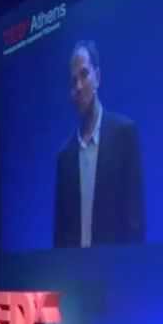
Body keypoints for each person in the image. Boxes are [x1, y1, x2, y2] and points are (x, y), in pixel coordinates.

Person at [53, 40, 144, 248]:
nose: (78, 86)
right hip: (74, 277)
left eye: (84, 74)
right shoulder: (64, 157)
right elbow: (59, 237)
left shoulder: (124, 134)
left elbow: (135, 223)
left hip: (116, 273)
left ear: (98, 77)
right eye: (73, 80)